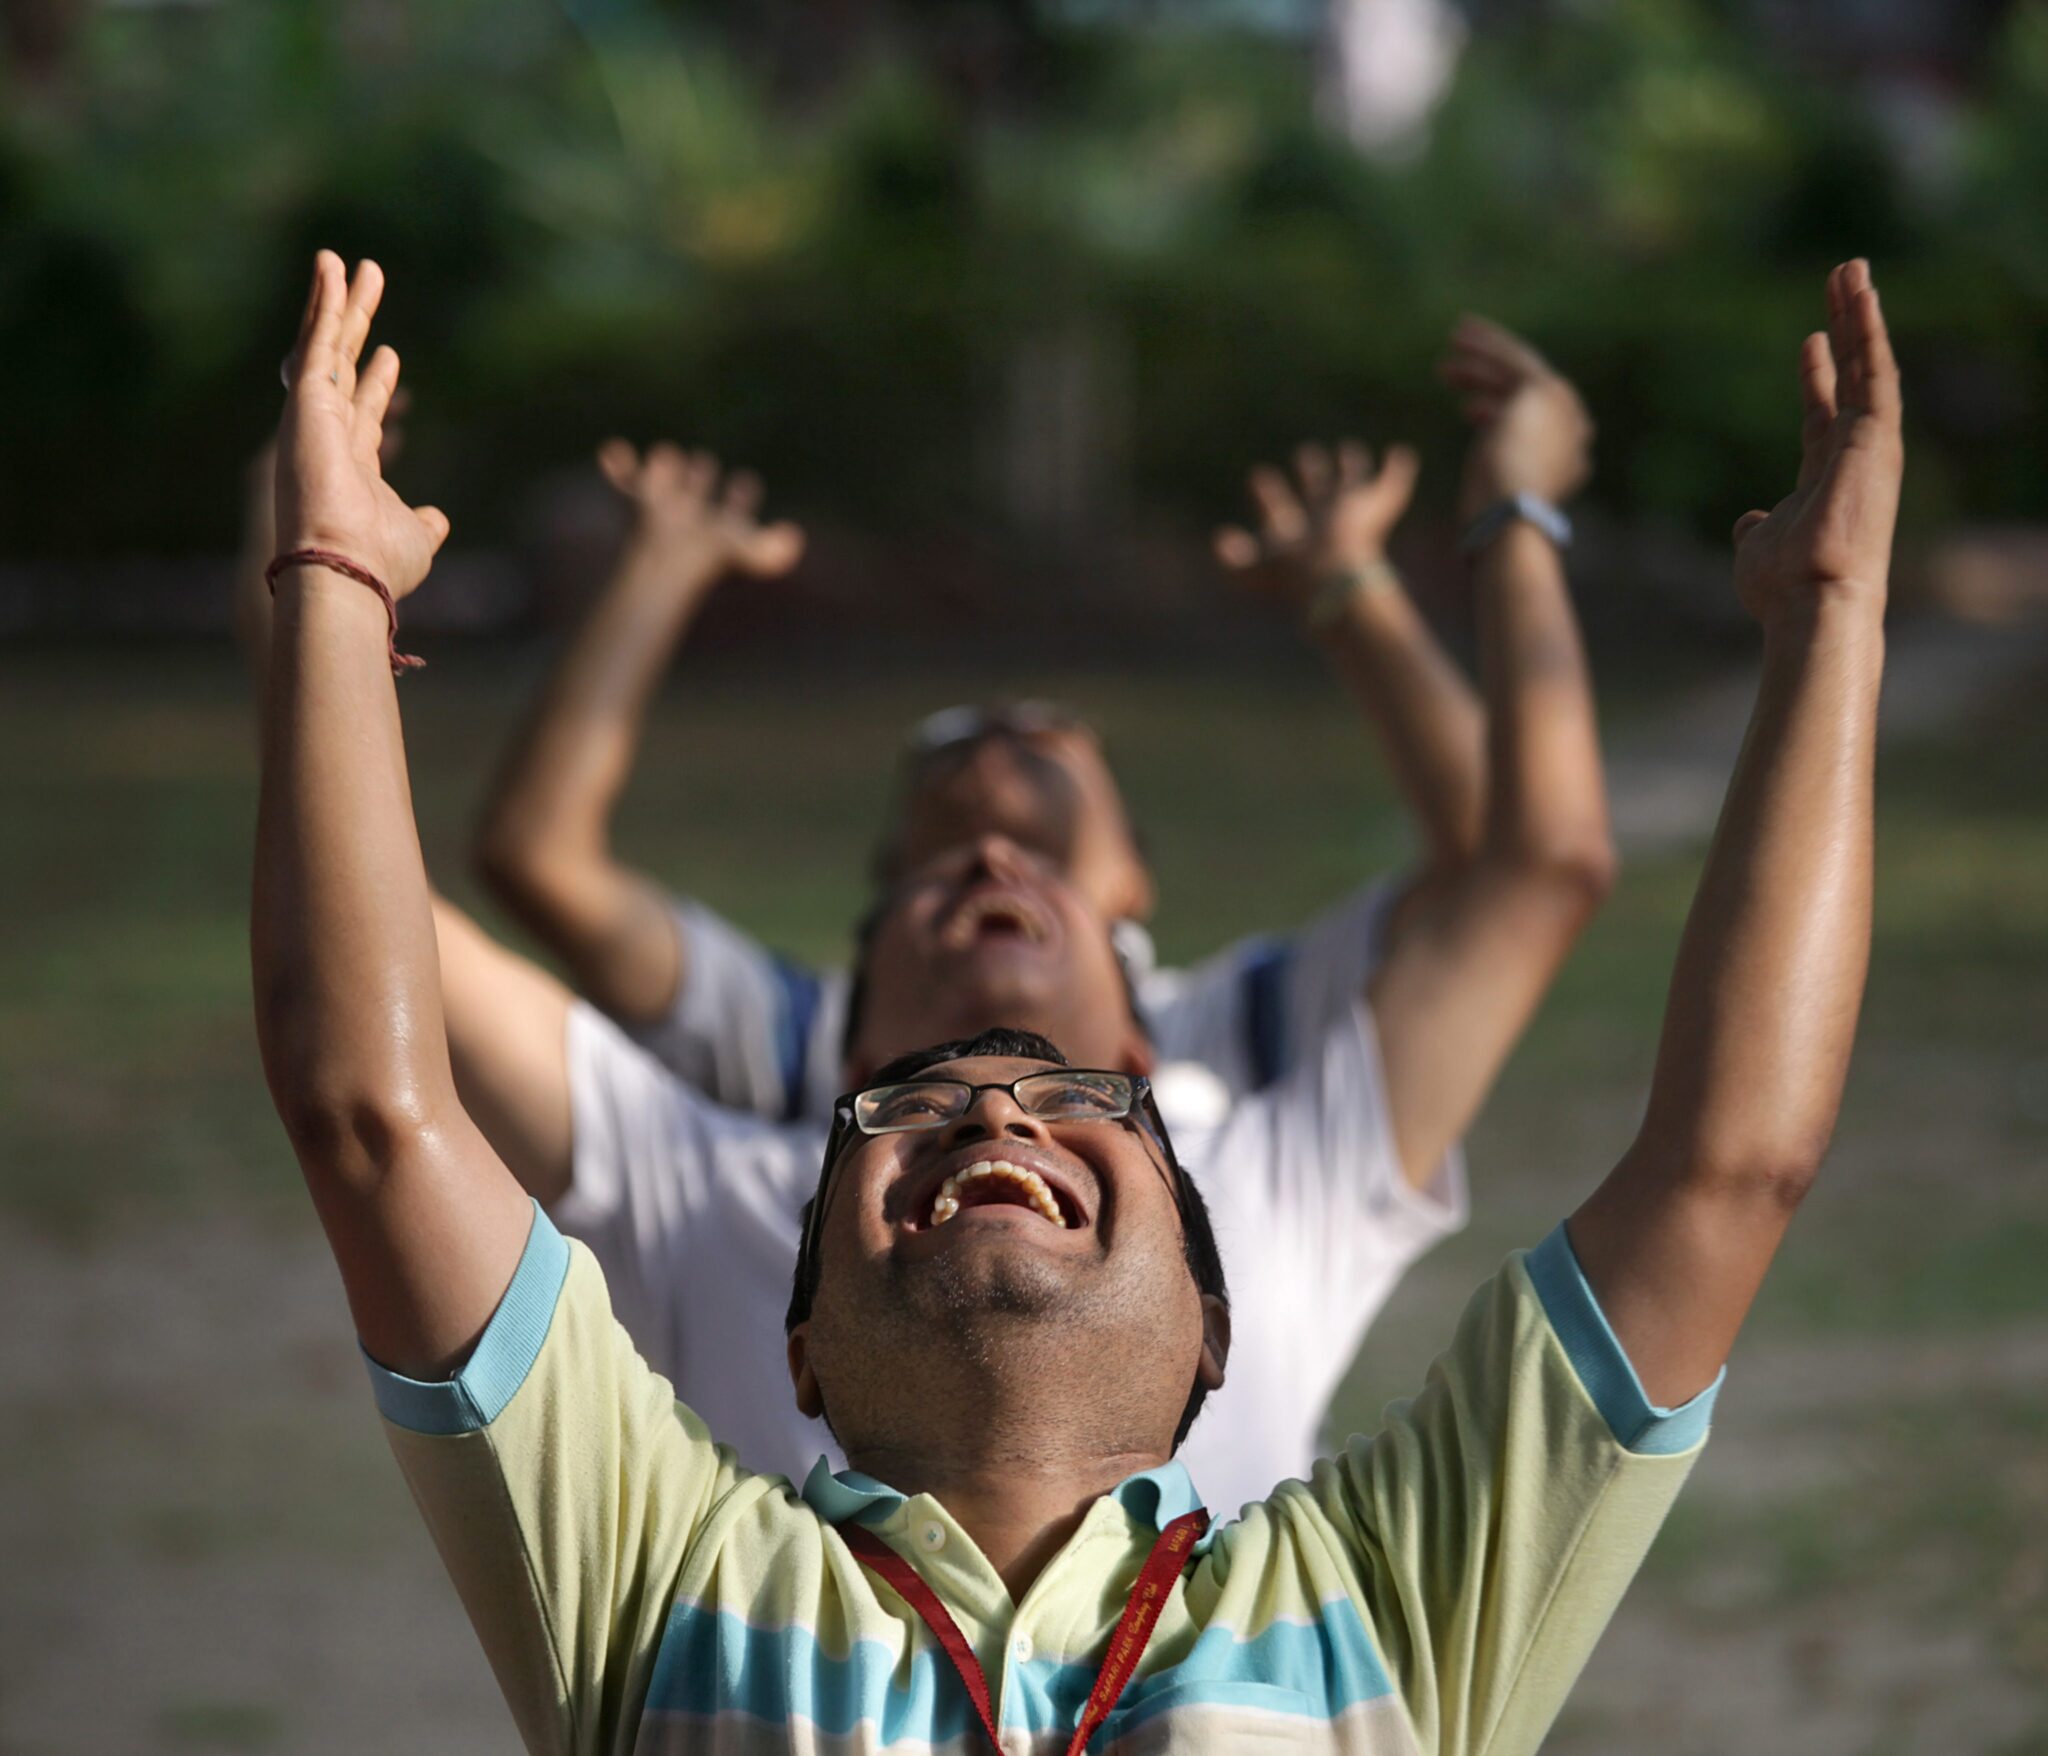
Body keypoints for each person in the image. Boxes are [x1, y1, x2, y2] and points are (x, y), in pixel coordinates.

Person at [251, 252, 1901, 1755]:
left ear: (1214, 1319)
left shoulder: (1386, 1591)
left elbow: (1716, 1152)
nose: (989, 1108)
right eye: (901, 1106)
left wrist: (1825, 616)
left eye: (1081, 1105)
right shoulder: (664, 1565)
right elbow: (375, 1110)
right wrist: (327, 579)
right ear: (797, 1342)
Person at [469, 321, 1599, 1124]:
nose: (998, 748)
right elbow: (540, 860)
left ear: (1132, 884)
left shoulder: (1236, 1033)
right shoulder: (797, 1042)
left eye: (1048, 736)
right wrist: (657, 571)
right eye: (951, 750)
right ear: (884, 886)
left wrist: (1355, 592)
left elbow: (1499, 860)